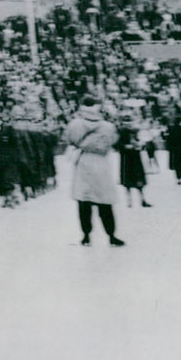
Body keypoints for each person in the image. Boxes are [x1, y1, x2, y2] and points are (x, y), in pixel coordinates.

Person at [64, 96, 124, 247]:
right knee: (105, 200)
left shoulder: (75, 124)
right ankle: (111, 235)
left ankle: (86, 236)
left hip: (84, 161)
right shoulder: (107, 126)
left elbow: (69, 139)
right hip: (101, 162)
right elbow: (113, 140)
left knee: (84, 200)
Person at [115, 114, 153, 208]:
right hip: (125, 158)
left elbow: (145, 141)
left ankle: (142, 200)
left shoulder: (137, 131)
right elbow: (116, 144)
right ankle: (129, 201)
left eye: (130, 122)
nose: (128, 124)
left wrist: (141, 145)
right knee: (127, 180)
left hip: (136, 157)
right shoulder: (120, 131)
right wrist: (124, 146)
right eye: (126, 122)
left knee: (139, 179)